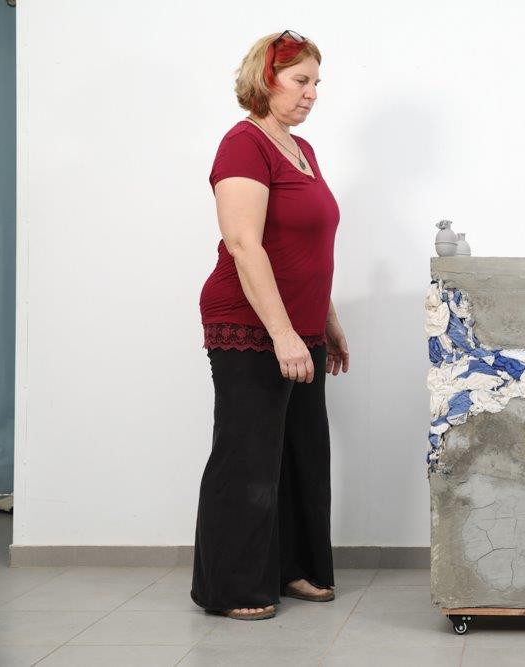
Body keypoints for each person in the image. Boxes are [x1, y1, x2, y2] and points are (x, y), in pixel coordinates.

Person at [190, 30, 349, 621]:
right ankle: (232, 586)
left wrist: (327, 320)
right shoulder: (243, 145)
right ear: (266, 79)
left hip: (301, 323)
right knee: (249, 454)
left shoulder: (302, 149)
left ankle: (293, 567)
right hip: (249, 322)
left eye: (316, 82)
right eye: (300, 80)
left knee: (302, 451)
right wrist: (283, 334)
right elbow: (244, 244)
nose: (312, 93)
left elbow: (307, 247)